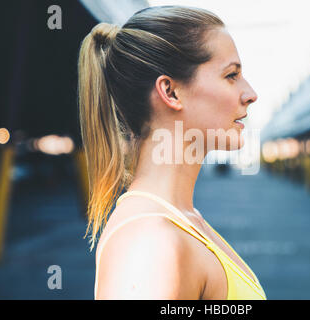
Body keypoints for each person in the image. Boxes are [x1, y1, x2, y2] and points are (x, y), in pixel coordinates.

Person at [77, 5, 265, 300]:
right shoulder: (149, 242)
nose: (251, 94)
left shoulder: (183, 220)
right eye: (231, 75)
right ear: (170, 92)